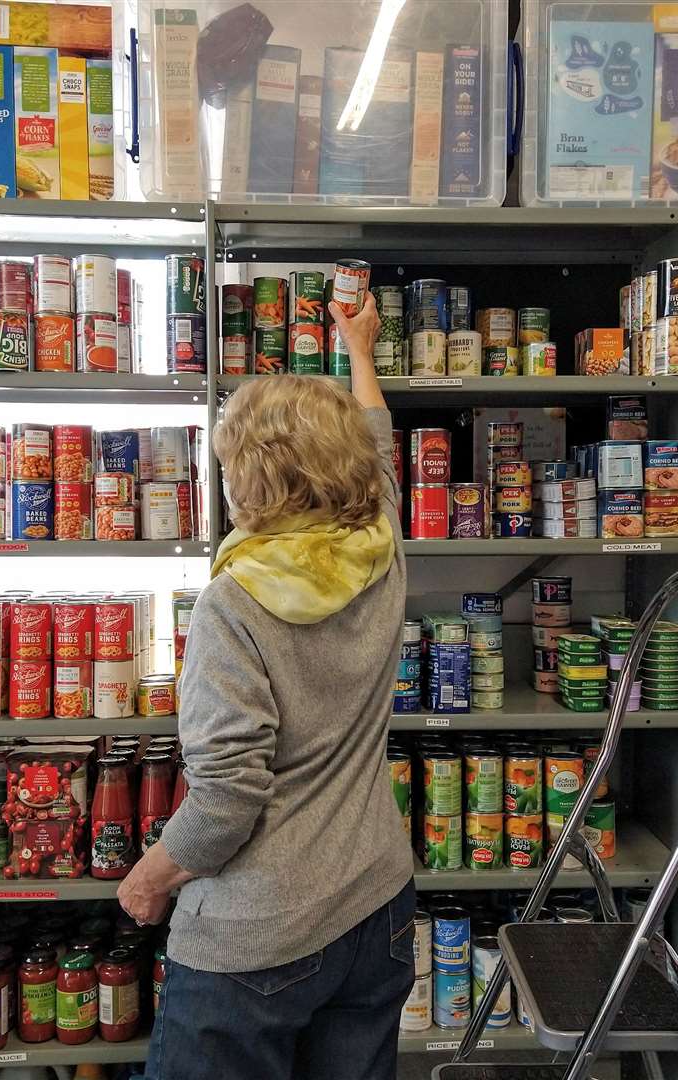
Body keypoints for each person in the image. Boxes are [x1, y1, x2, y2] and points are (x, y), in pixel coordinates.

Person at [118, 292, 415, 1080]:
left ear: (250, 476)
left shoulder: (233, 603)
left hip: (259, 934)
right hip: (378, 905)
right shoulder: (379, 543)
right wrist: (359, 349)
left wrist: (149, 881)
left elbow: (226, 799)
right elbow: (377, 446)